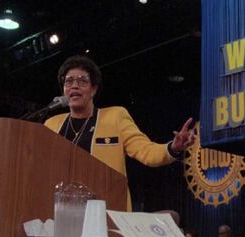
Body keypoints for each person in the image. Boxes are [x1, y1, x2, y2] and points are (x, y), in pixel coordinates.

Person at [44, 55, 196, 211]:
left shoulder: (115, 117)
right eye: (69, 81)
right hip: (61, 211)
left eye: (82, 81)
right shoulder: (51, 125)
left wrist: (173, 147)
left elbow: (146, 151)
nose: (74, 86)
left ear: (94, 89)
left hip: (104, 210)